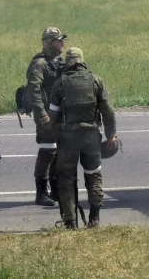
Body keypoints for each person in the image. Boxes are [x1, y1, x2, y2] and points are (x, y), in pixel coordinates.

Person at [47, 47, 117, 229]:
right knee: (93, 175)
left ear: (68, 62)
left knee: (66, 179)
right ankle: (94, 219)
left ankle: (70, 221)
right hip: (91, 137)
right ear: (82, 60)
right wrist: (111, 135)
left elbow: (53, 115)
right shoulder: (96, 80)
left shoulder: (60, 84)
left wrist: (57, 134)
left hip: (68, 139)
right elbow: (108, 111)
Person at [24, 27, 67, 207]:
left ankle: (56, 191)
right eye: (59, 40)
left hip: (59, 114)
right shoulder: (40, 64)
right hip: (47, 116)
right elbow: (33, 91)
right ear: (50, 42)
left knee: (59, 153)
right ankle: (41, 192)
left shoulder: (59, 62)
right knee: (47, 152)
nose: (63, 43)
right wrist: (42, 115)